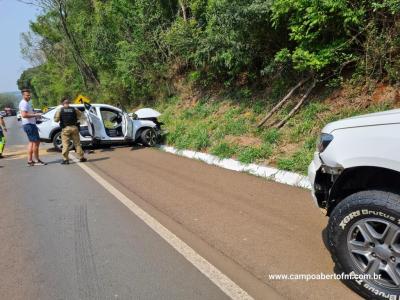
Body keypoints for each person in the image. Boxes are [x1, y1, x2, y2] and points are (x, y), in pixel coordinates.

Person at [54, 98, 87, 164]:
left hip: (66, 129)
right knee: (77, 144)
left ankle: (66, 159)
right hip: (74, 128)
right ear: (68, 103)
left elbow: (56, 120)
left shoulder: (60, 110)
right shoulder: (74, 109)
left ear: (62, 104)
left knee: (65, 144)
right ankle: (81, 157)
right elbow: (80, 115)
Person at [19, 89, 47, 166]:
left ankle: (30, 161)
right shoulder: (24, 103)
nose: (29, 96)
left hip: (30, 124)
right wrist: (35, 115)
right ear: (23, 95)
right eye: (27, 95)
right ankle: (36, 160)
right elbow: (24, 115)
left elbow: (28, 114)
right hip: (29, 125)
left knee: (32, 142)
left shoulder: (26, 103)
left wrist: (35, 114)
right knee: (36, 142)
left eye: (29, 94)